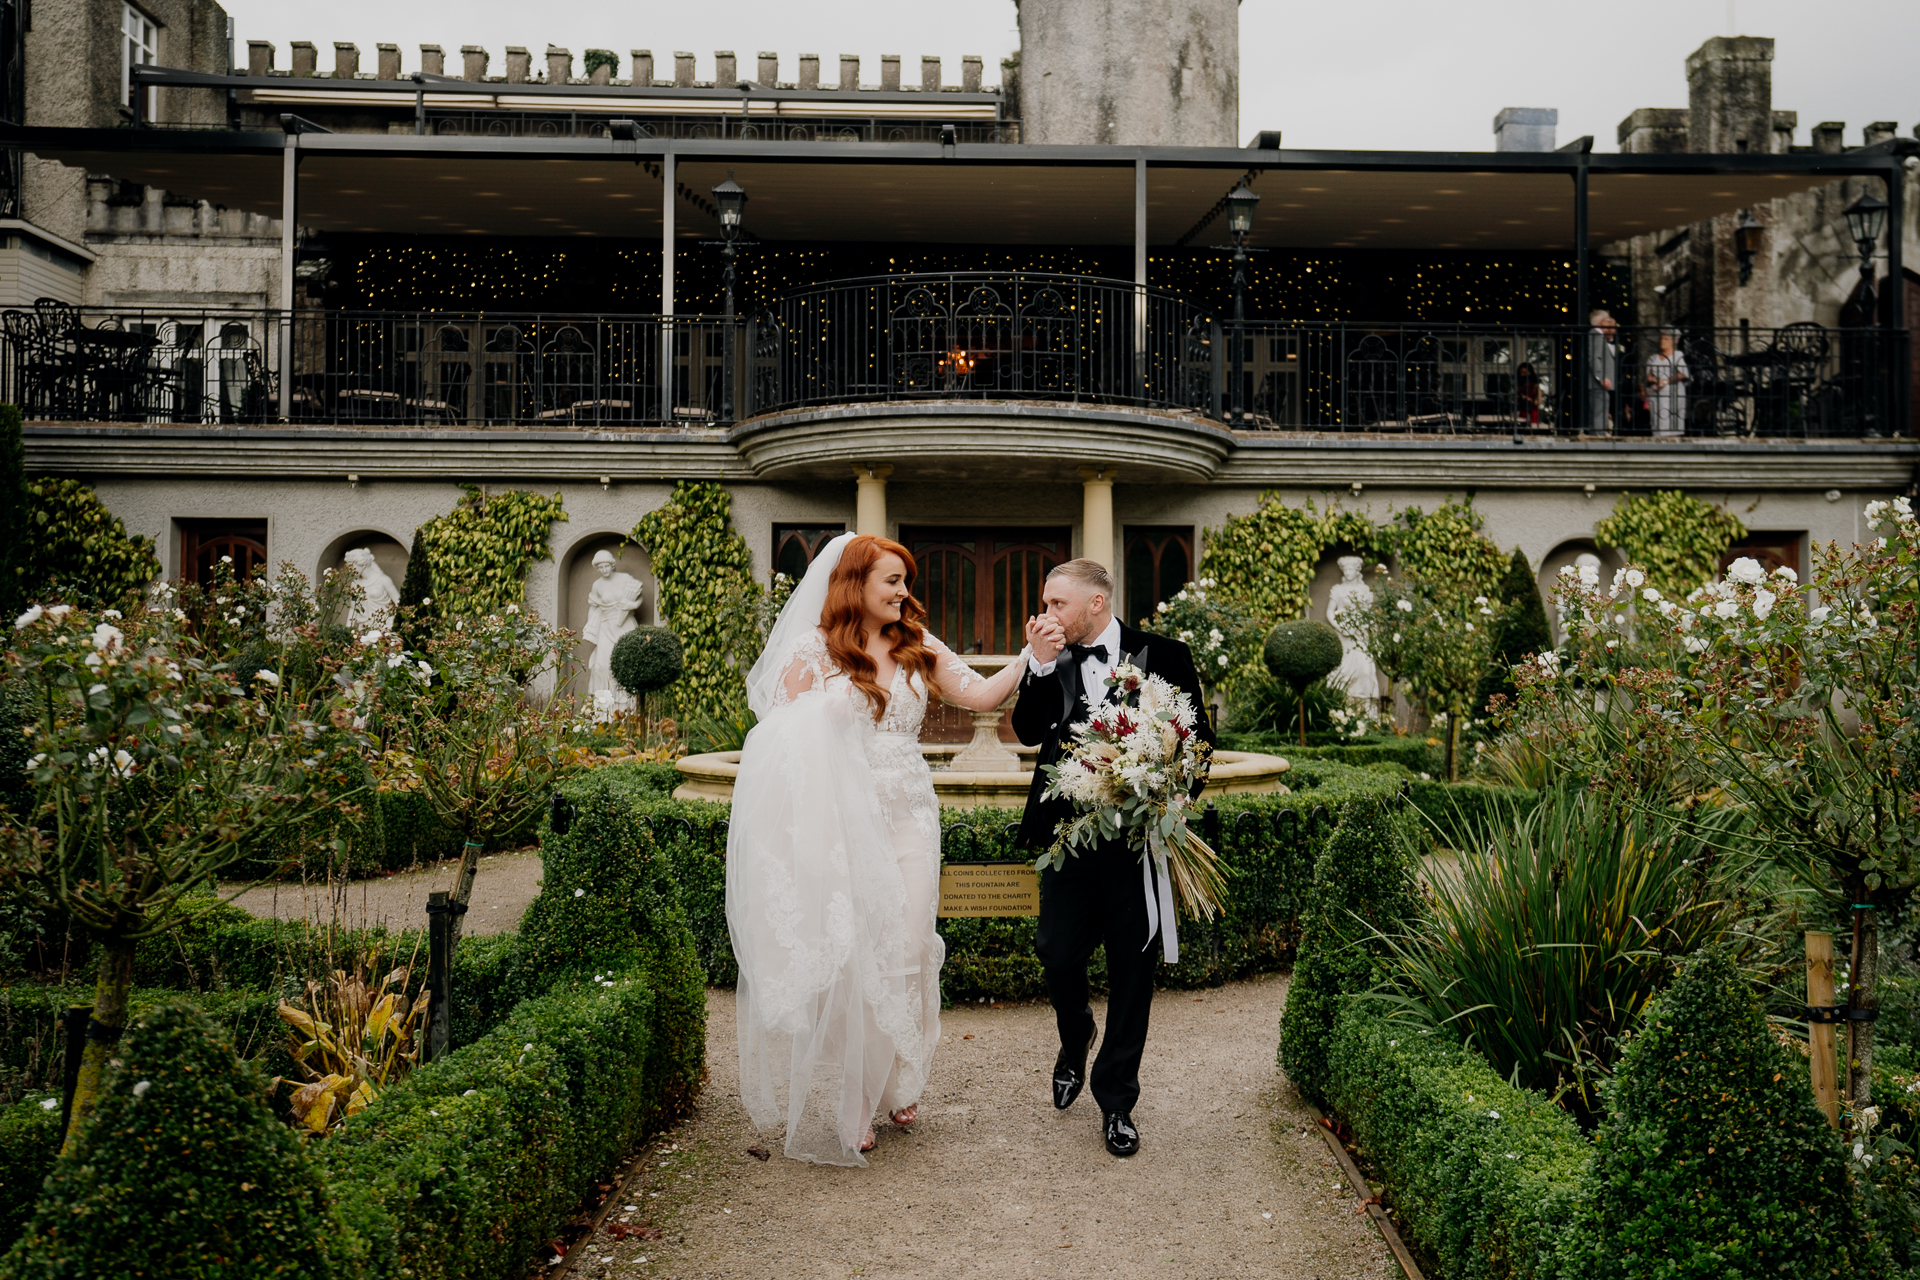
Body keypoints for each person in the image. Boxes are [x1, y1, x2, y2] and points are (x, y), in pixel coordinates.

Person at [727, 533, 1030, 1165]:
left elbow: (977, 696)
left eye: (905, 580)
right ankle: (860, 1097)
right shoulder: (815, 650)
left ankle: (900, 1077)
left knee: (912, 944)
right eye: (891, 580)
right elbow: (777, 743)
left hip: (911, 815)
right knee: (857, 954)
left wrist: (1030, 655)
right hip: (844, 819)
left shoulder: (915, 643)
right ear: (855, 583)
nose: (903, 592)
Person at [1010, 559, 1215, 1159]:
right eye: (1045, 604)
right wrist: (1041, 666)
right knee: (1055, 949)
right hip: (1068, 834)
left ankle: (1117, 1100)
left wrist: (1166, 797)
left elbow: (1199, 746)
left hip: (1137, 842)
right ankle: (1076, 1037)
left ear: (1095, 604)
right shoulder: (1050, 657)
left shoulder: (1166, 654)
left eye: (1055, 605)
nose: (1045, 615)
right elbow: (1025, 730)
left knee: (1133, 970)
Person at [581, 549, 645, 714]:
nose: (604, 570)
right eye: (600, 567)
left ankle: (626, 709)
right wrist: (592, 629)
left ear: (612, 564)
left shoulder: (625, 579)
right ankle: (604, 711)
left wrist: (633, 605)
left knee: (625, 663)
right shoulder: (597, 585)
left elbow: (638, 597)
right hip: (606, 626)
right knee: (601, 665)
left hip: (625, 625)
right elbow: (593, 607)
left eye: (606, 566)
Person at [1325, 556, 1380, 703]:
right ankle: (1343, 710)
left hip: (1360, 635)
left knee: (1364, 671)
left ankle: (1364, 710)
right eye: (1345, 569)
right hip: (1343, 636)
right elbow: (1330, 611)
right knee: (1342, 673)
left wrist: (1362, 626)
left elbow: (1369, 614)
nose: (1348, 572)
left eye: (1351, 569)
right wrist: (1340, 626)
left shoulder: (1364, 590)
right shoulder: (1337, 590)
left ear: (1357, 571)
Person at [1645, 329, 1688, 438]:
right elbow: (1648, 376)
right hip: (1657, 394)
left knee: (1672, 422)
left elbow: (1682, 373)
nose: (1662, 341)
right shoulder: (1653, 358)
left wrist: (1667, 381)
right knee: (1658, 421)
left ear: (1673, 341)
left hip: (1673, 393)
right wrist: (1656, 381)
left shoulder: (1677, 357)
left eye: (1666, 339)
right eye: (1662, 338)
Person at [342, 547, 400, 627]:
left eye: (352, 566)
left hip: (385, 627)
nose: (349, 570)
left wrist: (395, 623)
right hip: (364, 627)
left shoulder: (384, 580)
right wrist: (347, 629)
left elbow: (399, 603)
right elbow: (353, 608)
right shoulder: (355, 584)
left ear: (362, 565)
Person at [1586, 310, 1618, 435]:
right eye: (1608, 320)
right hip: (1598, 384)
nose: (1610, 323)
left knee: (1600, 411)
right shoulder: (1597, 335)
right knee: (1599, 412)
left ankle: (1597, 435)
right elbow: (1594, 358)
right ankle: (1598, 437)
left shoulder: (1598, 335)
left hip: (1599, 384)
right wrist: (1601, 377)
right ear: (1601, 322)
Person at [1515, 362, 1542, 427]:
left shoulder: (1535, 386)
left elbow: (1538, 401)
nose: (1523, 375)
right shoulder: (1519, 386)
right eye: (1521, 373)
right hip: (1522, 412)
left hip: (1533, 412)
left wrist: (1527, 399)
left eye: (1525, 373)